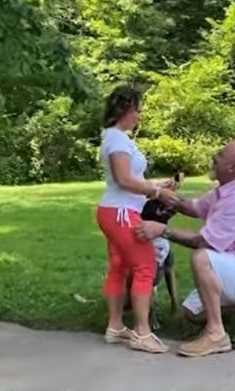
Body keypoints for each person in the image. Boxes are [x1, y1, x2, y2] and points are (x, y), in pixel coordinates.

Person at [135, 139, 235, 357]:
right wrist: (169, 197)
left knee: (202, 257)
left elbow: (203, 242)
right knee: (190, 312)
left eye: (219, 155)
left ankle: (216, 334)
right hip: (234, 267)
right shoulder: (227, 189)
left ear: (232, 167)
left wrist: (162, 229)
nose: (214, 158)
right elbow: (195, 207)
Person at [96, 85, 179, 353]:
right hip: (121, 213)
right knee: (145, 267)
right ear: (123, 109)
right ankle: (142, 333)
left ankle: (116, 327)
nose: (139, 116)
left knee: (119, 267)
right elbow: (123, 179)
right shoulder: (117, 140)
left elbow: (130, 180)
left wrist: (158, 184)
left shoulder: (115, 137)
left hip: (114, 209)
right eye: (136, 110)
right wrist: (157, 192)